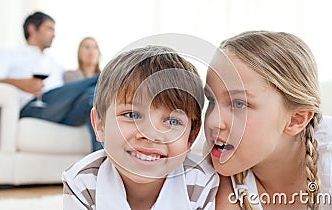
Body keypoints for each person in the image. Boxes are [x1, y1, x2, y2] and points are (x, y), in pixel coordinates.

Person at [204, 31, 332, 209]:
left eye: (239, 104)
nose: (212, 121)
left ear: (296, 120)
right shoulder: (220, 160)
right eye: (211, 100)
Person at [62, 45, 219, 209]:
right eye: (132, 115)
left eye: (172, 121)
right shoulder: (82, 182)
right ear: (100, 126)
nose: (150, 134)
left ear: (191, 137)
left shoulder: (201, 182)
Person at [0, 11, 102, 152]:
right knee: (100, 79)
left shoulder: (54, 63)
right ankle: (108, 76)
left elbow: (68, 91)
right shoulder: (11, 54)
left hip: (60, 110)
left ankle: (102, 167)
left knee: (92, 97)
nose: (54, 35)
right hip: (33, 108)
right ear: (32, 29)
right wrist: (20, 83)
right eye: (49, 29)